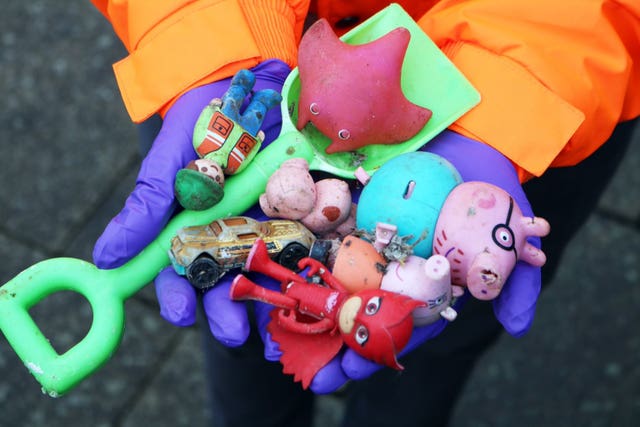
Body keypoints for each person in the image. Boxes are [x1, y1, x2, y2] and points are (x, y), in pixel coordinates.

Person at [90, 1, 640, 426]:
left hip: (539, 111)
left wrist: (502, 104)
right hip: (252, 69)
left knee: (423, 366)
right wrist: (214, 46)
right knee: (242, 347)